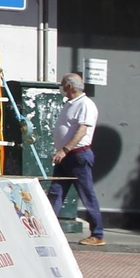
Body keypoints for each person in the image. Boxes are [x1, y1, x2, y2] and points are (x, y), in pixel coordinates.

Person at [47, 72, 105, 246]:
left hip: (77, 155)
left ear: (69, 86)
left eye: (63, 84)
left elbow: (82, 131)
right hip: (65, 156)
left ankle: (98, 234)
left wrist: (64, 150)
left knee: (87, 194)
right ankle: (47, 230)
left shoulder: (85, 104)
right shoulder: (70, 104)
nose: (61, 88)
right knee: (56, 192)